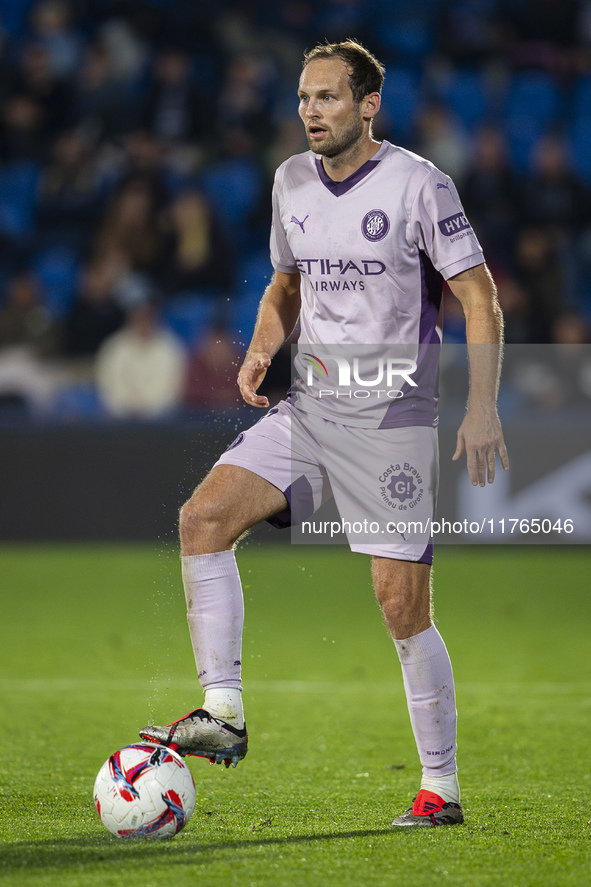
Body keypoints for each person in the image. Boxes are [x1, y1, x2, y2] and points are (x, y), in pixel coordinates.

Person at [140, 40, 509, 828]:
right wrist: (263, 343)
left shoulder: (418, 184)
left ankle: (439, 787)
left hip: (392, 413)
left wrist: (481, 405)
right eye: (304, 98)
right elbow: (285, 286)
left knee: (399, 603)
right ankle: (224, 710)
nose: (310, 111)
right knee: (202, 519)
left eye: (328, 98)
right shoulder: (290, 181)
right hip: (312, 404)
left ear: (368, 105)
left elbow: (478, 297)